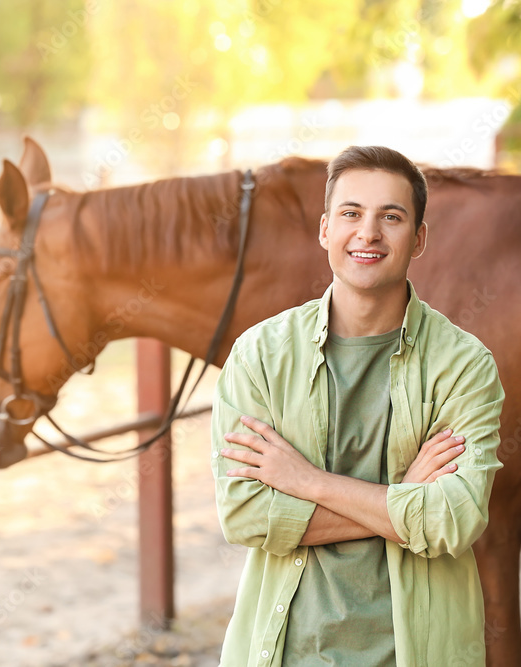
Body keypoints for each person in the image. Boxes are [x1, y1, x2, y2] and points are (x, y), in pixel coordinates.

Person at [212, 145, 505, 666]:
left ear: (419, 239)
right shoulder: (260, 354)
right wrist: (404, 497)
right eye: (351, 213)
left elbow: (452, 521)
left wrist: (308, 482)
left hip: (416, 652)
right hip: (286, 651)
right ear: (326, 230)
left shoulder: (464, 365)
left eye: (390, 217)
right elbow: (244, 515)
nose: (367, 233)